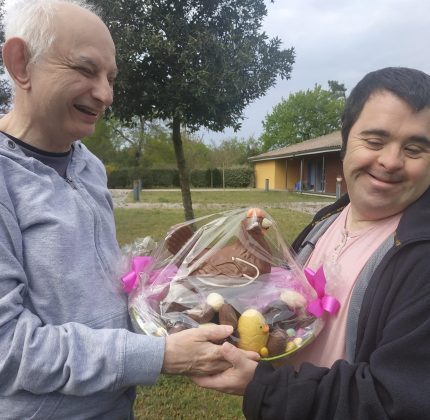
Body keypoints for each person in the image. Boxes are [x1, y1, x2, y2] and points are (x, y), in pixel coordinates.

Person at [0, 1, 256, 418]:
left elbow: (94, 285)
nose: (106, 94)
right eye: (86, 70)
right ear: (21, 63)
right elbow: (8, 349)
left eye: (110, 77)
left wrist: (173, 301)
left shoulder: (88, 165)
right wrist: (156, 356)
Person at [192, 66, 430, 419]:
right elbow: (284, 315)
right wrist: (226, 311)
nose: (390, 161)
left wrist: (263, 385)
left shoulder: (420, 258)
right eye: (375, 141)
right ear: (345, 142)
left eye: (414, 149)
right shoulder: (326, 221)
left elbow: (393, 402)